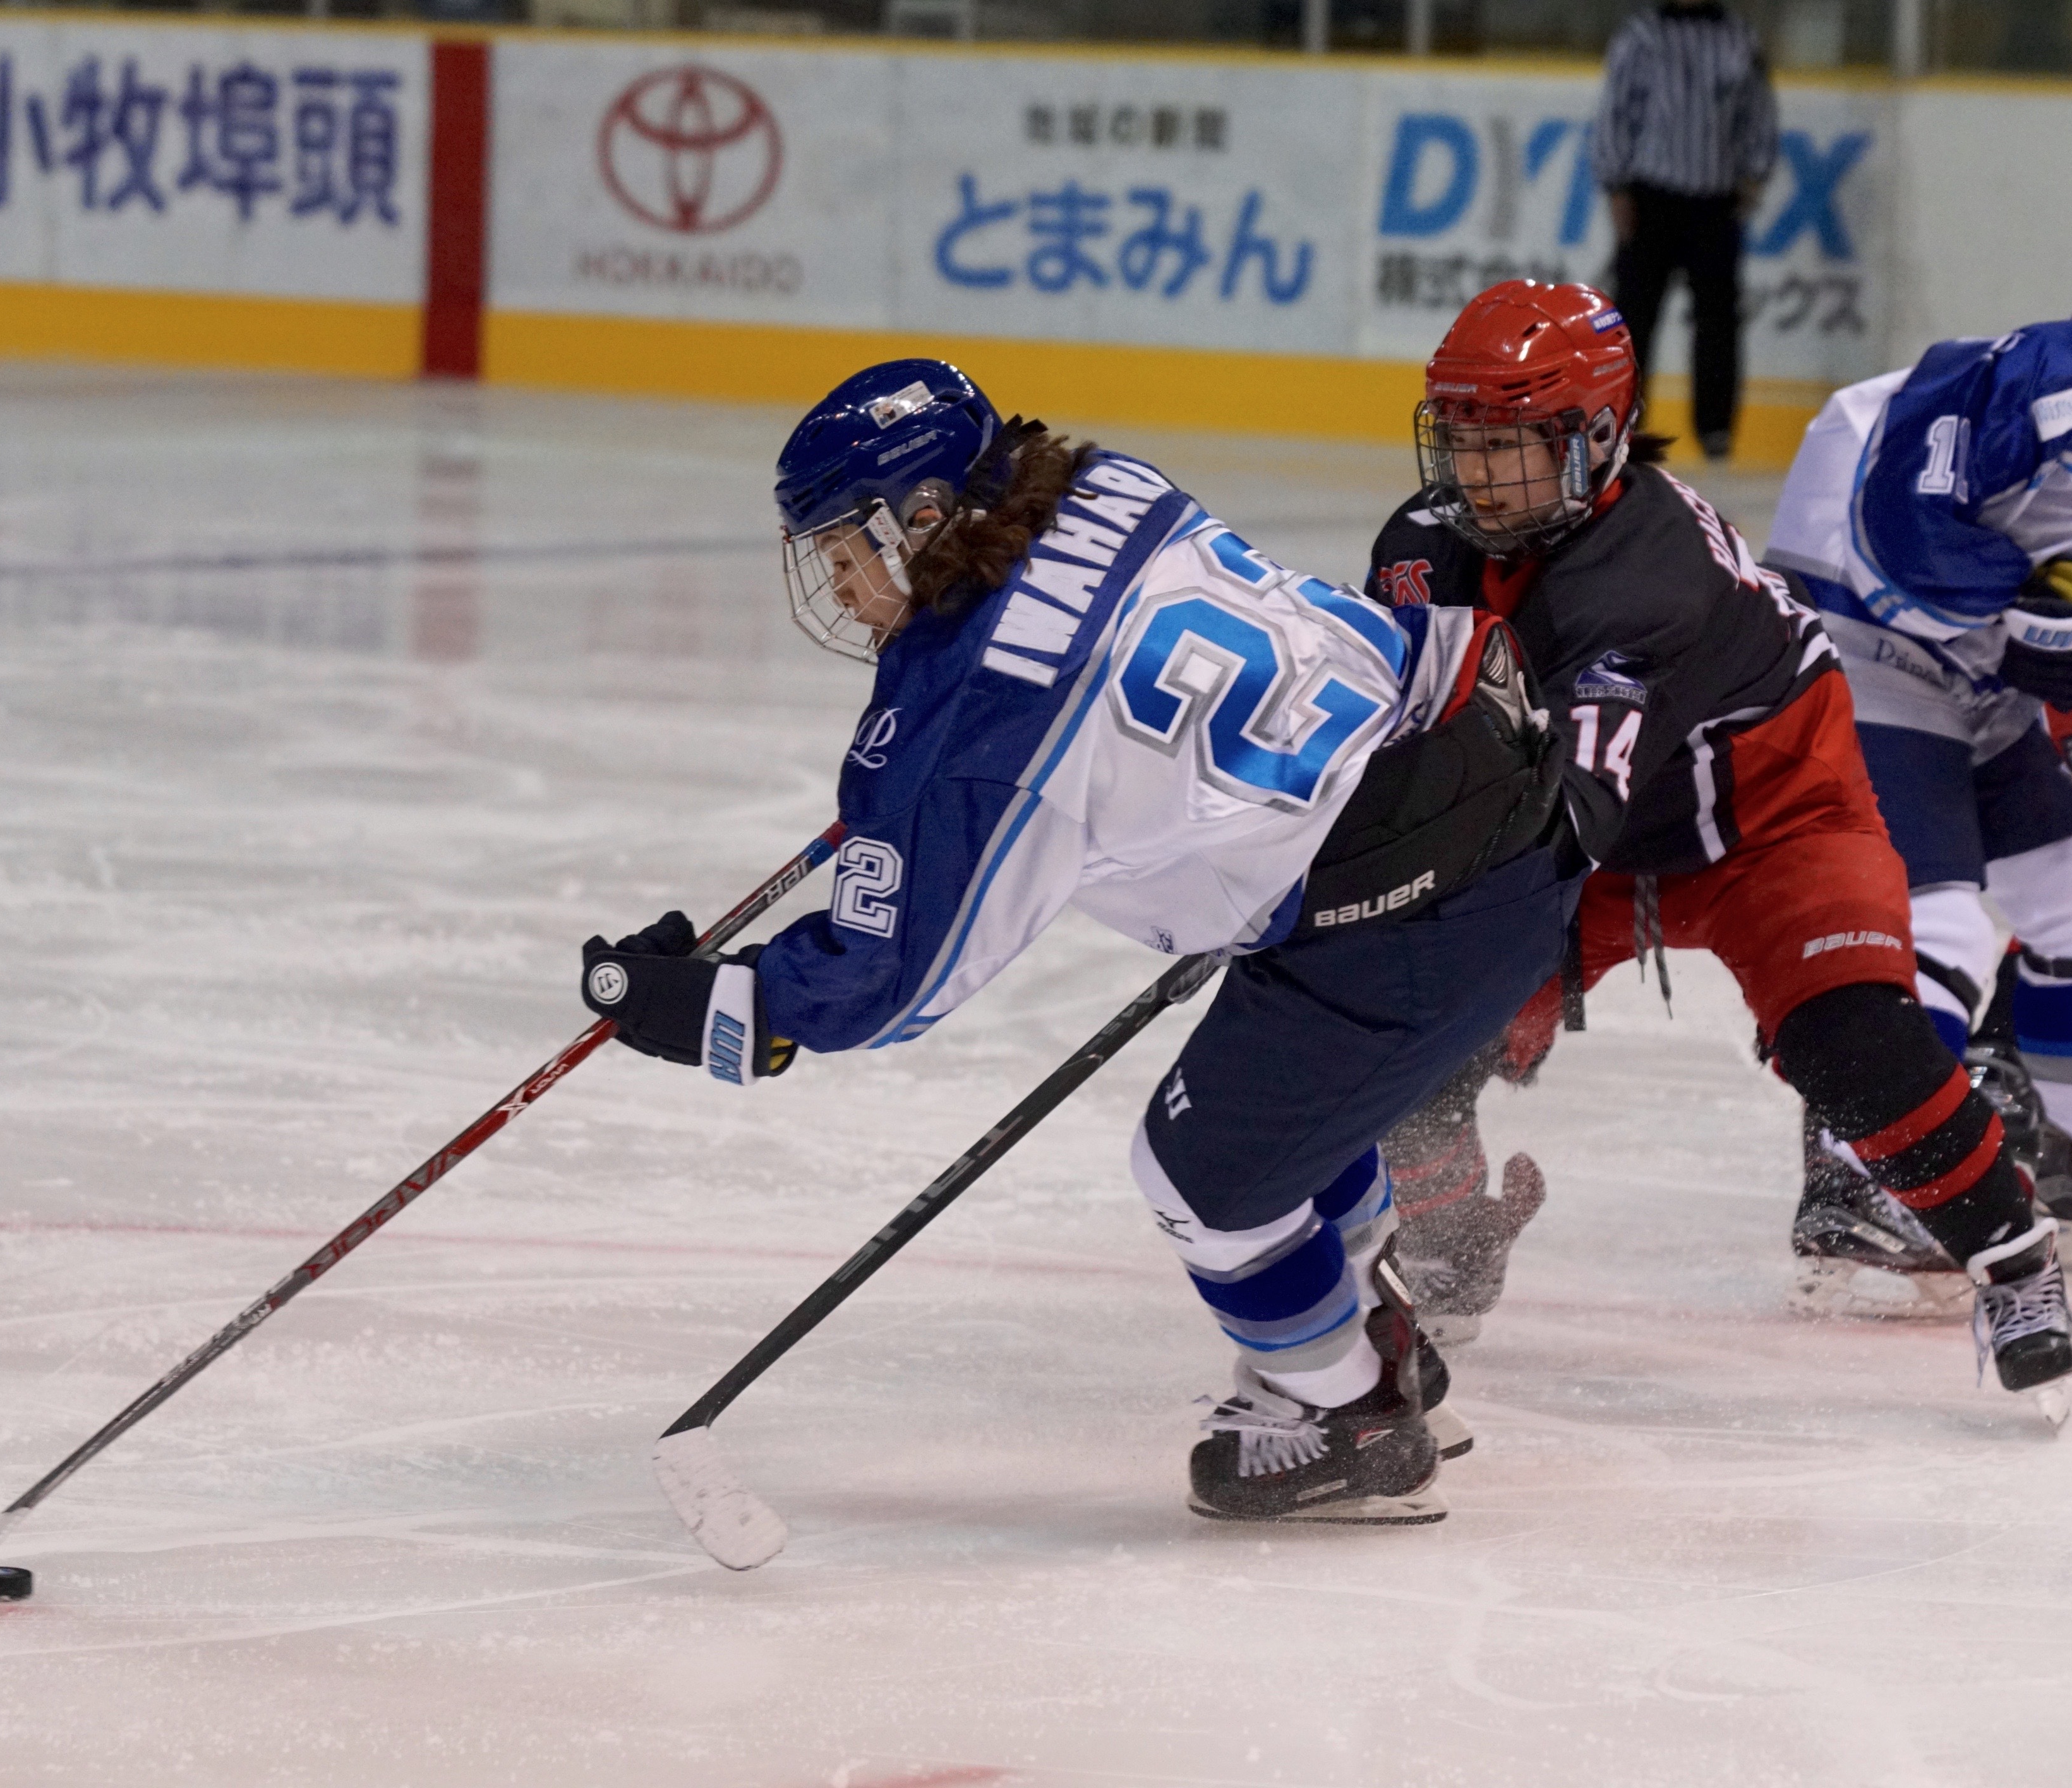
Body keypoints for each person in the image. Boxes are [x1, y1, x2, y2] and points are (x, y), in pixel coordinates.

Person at [574, 358, 1577, 1525]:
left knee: (1202, 1178)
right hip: (1489, 769)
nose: (838, 587)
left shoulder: (977, 716)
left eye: (848, 550)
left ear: (924, 517)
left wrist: (712, 1008)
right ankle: (1371, 1338)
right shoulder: (1101, 484)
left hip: (1419, 902)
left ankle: (1354, 1417)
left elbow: (887, 981)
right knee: (1287, 1115)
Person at [1363, 280, 2072, 1401]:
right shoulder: (1421, 543)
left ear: (1598, 438)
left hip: (1773, 822)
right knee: (1402, 1021)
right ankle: (1453, 1235)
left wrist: (1398, 884)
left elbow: (1566, 809)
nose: (1478, 475)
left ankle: (2015, 1259)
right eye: (1461, 440)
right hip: (1598, 827)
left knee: (1854, 1047)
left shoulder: (1644, 581)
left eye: (1509, 445)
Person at [1760, 194, 2072, 1289]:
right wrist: (2023, 606)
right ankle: (1857, 1174)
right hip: (1855, 645)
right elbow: (1896, 521)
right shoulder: (2054, 381)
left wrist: (2064, 641)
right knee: (1929, 927)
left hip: (1976, 683)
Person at [1594, 0, 1778, 462]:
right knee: (1633, 320)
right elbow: (1617, 110)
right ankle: (1623, 422)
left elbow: (1758, 110)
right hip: (1651, 197)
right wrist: (1617, 184)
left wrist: (1755, 173)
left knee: (1718, 320)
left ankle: (1715, 429)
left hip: (1715, 201)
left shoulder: (1738, 38)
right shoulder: (1641, 36)